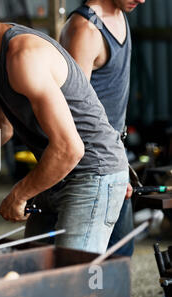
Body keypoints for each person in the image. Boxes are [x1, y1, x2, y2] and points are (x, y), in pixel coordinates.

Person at [0, 0, 129, 254]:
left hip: (92, 172)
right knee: (33, 267)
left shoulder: (23, 55)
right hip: (55, 171)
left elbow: (69, 149)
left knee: (71, 276)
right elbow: (0, 126)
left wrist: (19, 194)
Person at [60, 0, 145, 256]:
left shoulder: (119, 13)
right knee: (86, 270)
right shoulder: (85, 30)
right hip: (92, 165)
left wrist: (118, 160)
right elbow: (73, 115)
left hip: (112, 154)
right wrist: (109, 164)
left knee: (119, 257)